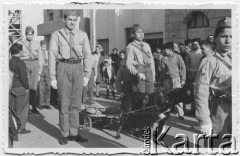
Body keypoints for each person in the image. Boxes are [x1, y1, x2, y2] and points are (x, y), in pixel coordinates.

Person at [49, 10, 91, 145]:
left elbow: (88, 55)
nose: (72, 22)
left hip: (78, 67)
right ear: (64, 20)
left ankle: (74, 132)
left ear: (77, 20)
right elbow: (51, 55)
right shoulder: (57, 35)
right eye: (69, 19)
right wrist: (52, 77)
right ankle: (65, 134)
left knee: (76, 104)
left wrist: (87, 74)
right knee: (64, 103)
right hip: (63, 66)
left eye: (74, 20)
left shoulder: (82, 35)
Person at [194, 17, 232, 146]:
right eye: (223, 36)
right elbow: (201, 91)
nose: (228, 40)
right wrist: (204, 120)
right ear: (215, 38)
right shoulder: (209, 61)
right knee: (219, 146)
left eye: (232, 36)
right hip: (219, 109)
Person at [125, 24, 155, 110]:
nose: (141, 34)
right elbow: (129, 64)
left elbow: (151, 60)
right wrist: (138, 73)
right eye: (138, 32)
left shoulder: (146, 45)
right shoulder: (130, 47)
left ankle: (149, 114)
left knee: (151, 95)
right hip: (139, 71)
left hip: (149, 70)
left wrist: (154, 75)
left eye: (142, 32)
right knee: (140, 96)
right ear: (132, 35)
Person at [160, 42, 186, 120]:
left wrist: (183, 79)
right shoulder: (163, 58)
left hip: (176, 79)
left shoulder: (178, 57)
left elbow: (183, 68)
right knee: (167, 96)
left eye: (165, 49)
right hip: (167, 80)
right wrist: (163, 80)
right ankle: (168, 111)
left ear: (171, 50)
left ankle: (180, 113)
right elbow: (162, 70)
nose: (164, 51)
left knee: (178, 96)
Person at [9, 43, 31, 134]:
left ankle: (13, 126)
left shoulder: (9, 61)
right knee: (22, 109)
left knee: (14, 108)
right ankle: (21, 128)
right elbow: (23, 77)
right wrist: (26, 87)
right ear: (20, 51)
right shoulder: (20, 62)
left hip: (11, 86)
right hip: (20, 87)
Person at [19, 26, 40, 114]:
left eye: (31, 34)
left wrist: (40, 70)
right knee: (26, 86)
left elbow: (40, 57)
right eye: (28, 34)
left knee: (34, 87)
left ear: (33, 34)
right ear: (26, 34)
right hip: (25, 63)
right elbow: (19, 56)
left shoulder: (37, 43)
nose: (30, 36)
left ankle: (34, 107)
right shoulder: (21, 43)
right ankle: (26, 107)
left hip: (35, 64)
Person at [115, 64, 133, 139]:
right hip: (127, 89)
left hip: (138, 89)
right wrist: (120, 92)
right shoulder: (124, 67)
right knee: (126, 111)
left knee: (138, 110)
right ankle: (118, 131)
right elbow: (118, 80)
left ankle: (132, 128)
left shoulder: (140, 64)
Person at [38, 40, 51, 110]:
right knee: (41, 88)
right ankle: (40, 103)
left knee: (48, 87)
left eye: (45, 46)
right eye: (43, 46)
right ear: (41, 46)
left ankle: (47, 103)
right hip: (41, 69)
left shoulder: (48, 53)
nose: (44, 48)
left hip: (47, 69)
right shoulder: (39, 53)